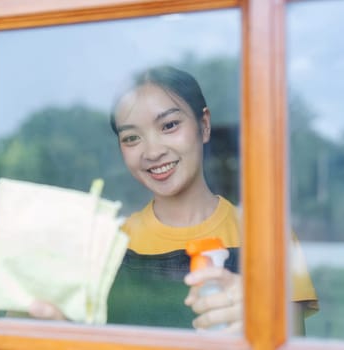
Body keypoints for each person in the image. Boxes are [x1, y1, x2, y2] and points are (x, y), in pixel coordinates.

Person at [26, 66, 318, 332]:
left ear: (204, 125)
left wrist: (259, 321)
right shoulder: (108, 244)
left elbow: (292, 342)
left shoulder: (268, 235)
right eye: (131, 138)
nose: (152, 152)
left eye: (169, 126)